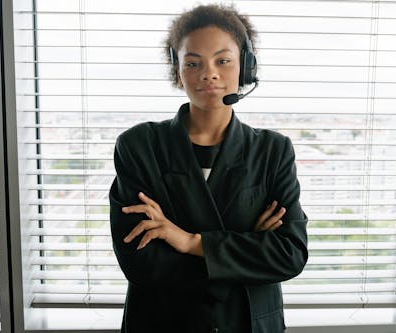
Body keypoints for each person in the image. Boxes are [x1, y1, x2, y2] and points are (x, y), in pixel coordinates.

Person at [109, 4, 308, 333]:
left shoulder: (273, 150)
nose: (209, 73)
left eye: (223, 60)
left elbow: (290, 254)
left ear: (245, 65)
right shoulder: (139, 146)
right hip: (164, 323)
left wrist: (188, 242)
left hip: (249, 323)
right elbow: (141, 262)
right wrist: (246, 250)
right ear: (178, 70)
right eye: (193, 62)